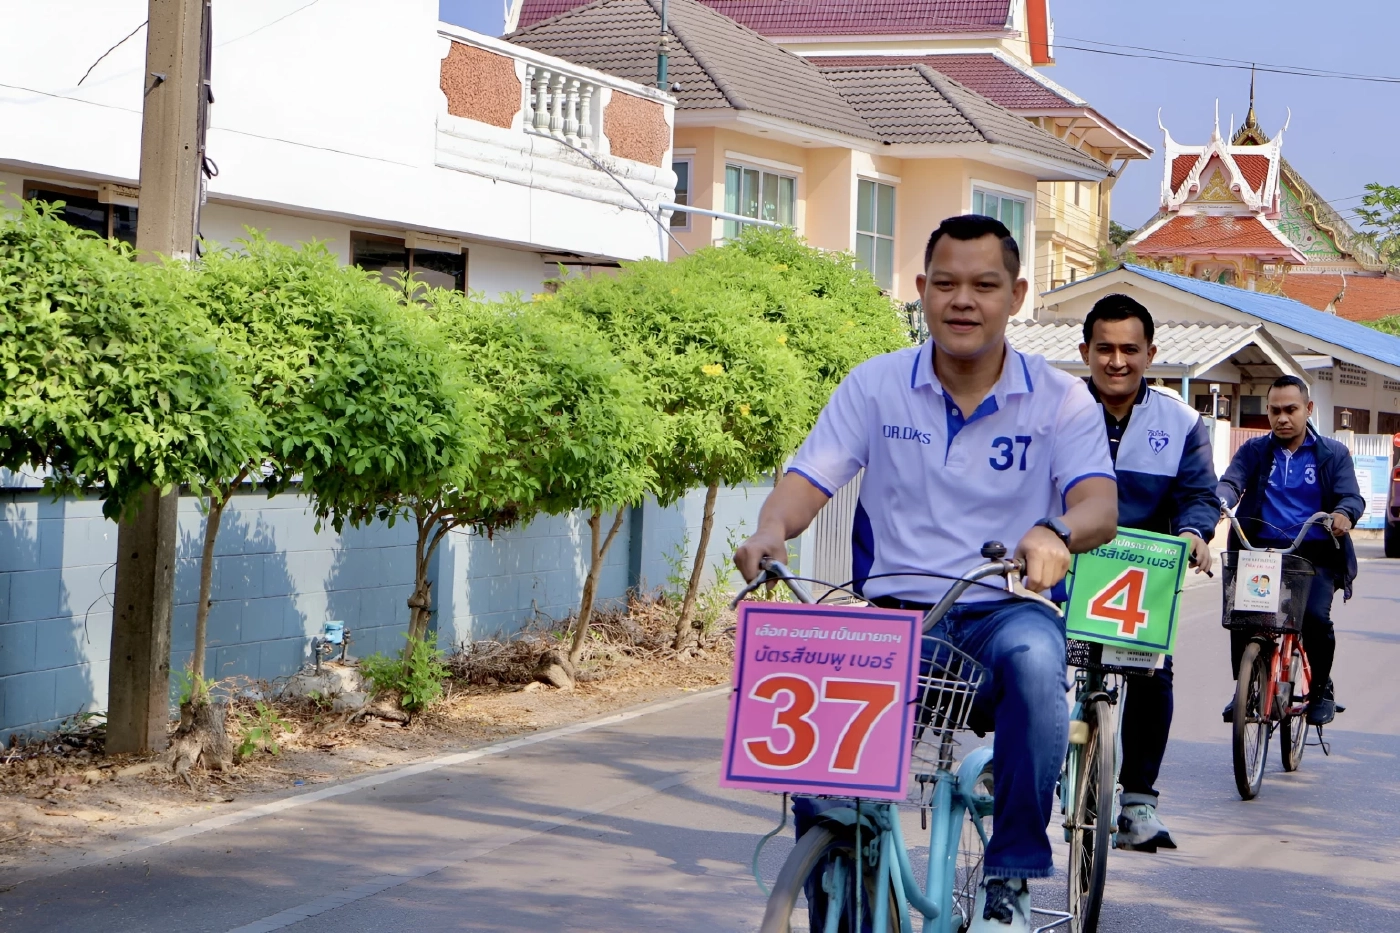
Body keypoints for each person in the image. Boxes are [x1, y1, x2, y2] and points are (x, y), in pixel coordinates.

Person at [734, 215, 1118, 932]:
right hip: (894, 618)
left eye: (984, 285)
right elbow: (808, 479)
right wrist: (769, 529)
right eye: (945, 283)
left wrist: (1055, 532)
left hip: (1004, 607)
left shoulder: (1061, 398)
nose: (962, 300)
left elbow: (1099, 502)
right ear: (922, 290)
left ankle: (1010, 873)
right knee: (823, 780)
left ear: (1017, 295)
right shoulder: (876, 385)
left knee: (1040, 666)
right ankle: (838, 900)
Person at [1077, 294, 1219, 853]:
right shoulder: (1054, 409)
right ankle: (1016, 767)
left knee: (1153, 674)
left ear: (1150, 352)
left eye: (1129, 349)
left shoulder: (1182, 423)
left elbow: (1198, 495)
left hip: (1140, 574)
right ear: (1084, 351)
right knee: (1027, 657)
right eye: (1105, 348)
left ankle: (1138, 800)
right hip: (1063, 563)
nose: (1117, 361)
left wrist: (1193, 533)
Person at [1218, 375, 1364, 725]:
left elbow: (1351, 497)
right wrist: (1218, 504)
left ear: (1308, 409)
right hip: (1260, 551)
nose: (1282, 418)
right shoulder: (1254, 451)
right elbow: (1230, 482)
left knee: (1314, 618)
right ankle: (1246, 688)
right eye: (1275, 411)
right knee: (1242, 615)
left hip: (1314, 554)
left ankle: (1320, 690)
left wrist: (1343, 514)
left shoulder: (1332, 454)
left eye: (1291, 410)